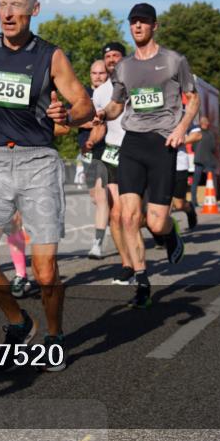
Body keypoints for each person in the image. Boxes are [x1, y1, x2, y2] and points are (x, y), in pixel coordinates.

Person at [0, 0, 93, 372]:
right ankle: (19, 321)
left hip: (38, 163)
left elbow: (84, 104)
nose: (8, 13)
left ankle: (54, 334)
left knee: (45, 269)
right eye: (2, 4)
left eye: (16, 5)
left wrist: (66, 114)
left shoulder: (50, 56)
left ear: (34, 10)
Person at [96, 3, 199, 309]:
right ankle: (142, 279)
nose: (137, 26)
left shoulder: (174, 60)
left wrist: (181, 128)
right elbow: (117, 105)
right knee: (128, 216)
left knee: (156, 222)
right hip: (133, 143)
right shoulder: (124, 67)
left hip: (163, 144)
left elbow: (193, 99)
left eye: (143, 22)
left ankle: (170, 233)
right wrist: (102, 113)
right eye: (133, 22)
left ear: (155, 26)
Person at [90, 42, 133, 284]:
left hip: (137, 150)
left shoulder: (135, 80)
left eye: (116, 55)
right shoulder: (99, 93)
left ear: (123, 58)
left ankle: (164, 232)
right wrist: (91, 140)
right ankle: (127, 264)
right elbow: (100, 126)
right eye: (108, 56)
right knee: (116, 214)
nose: (112, 59)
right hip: (113, 151)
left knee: (140, 216)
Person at [80, 59, 111, 259]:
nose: (98, 77)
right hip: (87, 151)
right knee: (96, 197)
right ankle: (111, 220)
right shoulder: (82, 94)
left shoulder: (112, 93)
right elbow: (70, 119)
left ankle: (97, 244)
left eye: (102, 73)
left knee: (101, 197)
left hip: (108, 150)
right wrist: (89, 123)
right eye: (94, 73)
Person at [171, 120, 202, 229]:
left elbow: (197, 135)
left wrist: (180, 139)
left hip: (179, 164)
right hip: (156, 165)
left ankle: (189, 209)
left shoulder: (184, 114)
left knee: (179, 204)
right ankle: (167, 234)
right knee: (163, 204)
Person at [190, 115, 216, 210]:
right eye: (207, 122)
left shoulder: (196, 133)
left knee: (195, 182)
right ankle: (212, 199)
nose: (209, 123)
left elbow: (192, 148)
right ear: (205, 123)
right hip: (208, 160)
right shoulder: (210, 134)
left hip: (198, 160)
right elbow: (213, 147)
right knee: (211, 181)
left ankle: (194, 202)